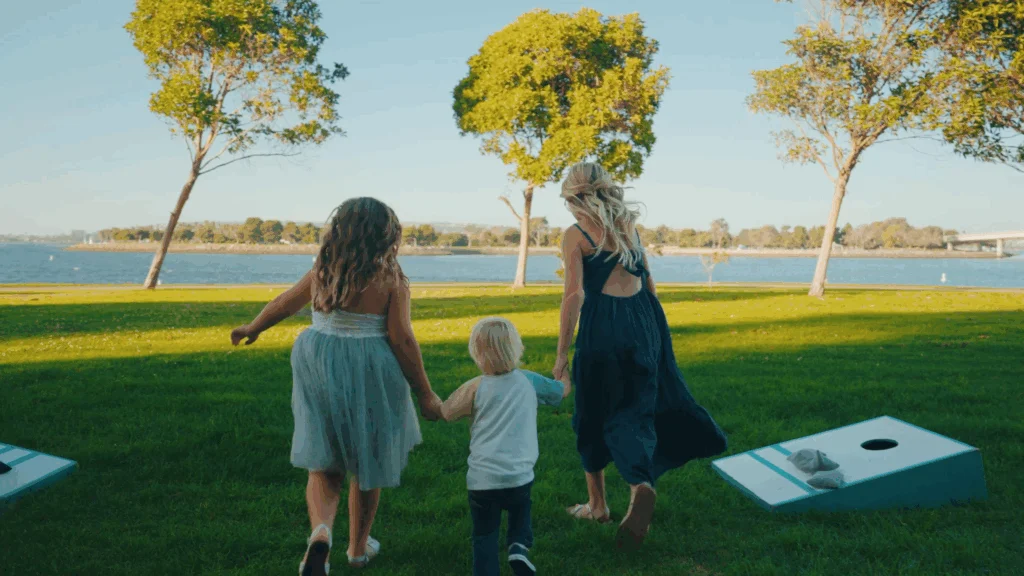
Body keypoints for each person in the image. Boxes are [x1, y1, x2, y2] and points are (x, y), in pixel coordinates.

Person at [230, 197, 443, 574]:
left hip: (317, 358)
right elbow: (402, 339)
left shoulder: (323, 270)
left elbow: (285, 303)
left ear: (339, 231)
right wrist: (424, 393)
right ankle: (358, 550)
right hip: (369, 364)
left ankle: (321, 534)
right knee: (368, 459)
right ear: (386, 235)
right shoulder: (389, 278)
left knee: (324, 460)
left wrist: (253, 327)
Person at [553, 162, 728, 550]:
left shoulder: (576, 234)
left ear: (574, 197)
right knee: (634, 410)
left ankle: (597, 506)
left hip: (603, 327)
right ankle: (639, 486)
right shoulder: (629, 228)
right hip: (645, 322)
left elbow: (574, 295)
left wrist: (561, 358)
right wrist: (654, 336)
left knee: (592, 410)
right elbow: (648, 282)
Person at [442, 317, 570, 576]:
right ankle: (519, 547)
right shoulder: (529, 381)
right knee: (520, 514)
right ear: (516, 349)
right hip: (519, 475)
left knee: (484, 536)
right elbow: (560, 393)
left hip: (482, 480)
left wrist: (428, 401)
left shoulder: (475, 387)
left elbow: (446, 412)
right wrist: (563, 372)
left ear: (476, 354)